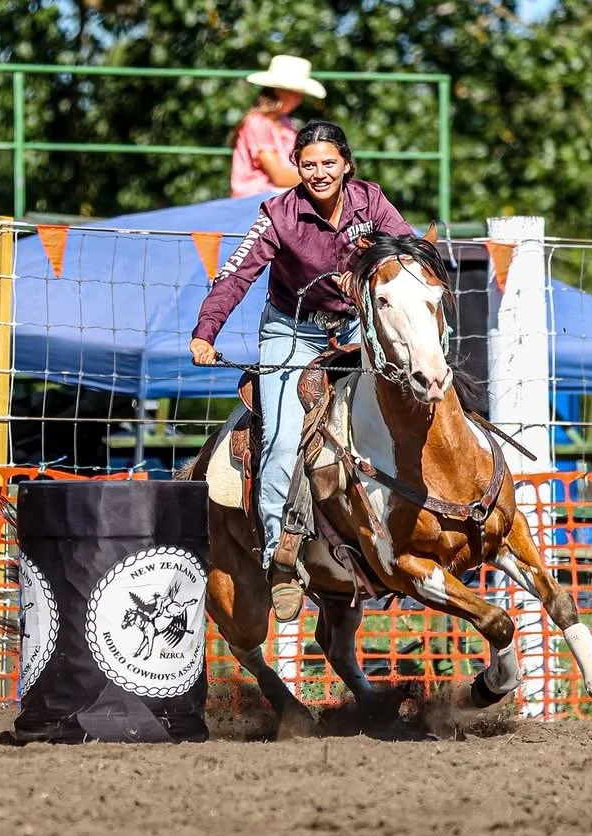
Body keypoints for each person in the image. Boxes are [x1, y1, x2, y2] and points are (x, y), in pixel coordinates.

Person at [191, 120, 415, 622]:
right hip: (291, 331)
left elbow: (407, 253)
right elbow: (236, 274)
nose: (319, 172)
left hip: (358, 328)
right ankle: (282, 558)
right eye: (309, 164)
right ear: (296, 166)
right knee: (282, 435)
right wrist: (206, 331)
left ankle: (407, 528)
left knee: (408, 404)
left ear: (346, 164)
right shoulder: (277, 214)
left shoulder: (372, 202)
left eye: (329, 163)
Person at [229, 55, 326, 198]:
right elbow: (278, 176)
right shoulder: (257, 123)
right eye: (294, 92)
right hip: (255, 199)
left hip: (278, 196)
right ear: (278, 91)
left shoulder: (285, 123)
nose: (298, 99)